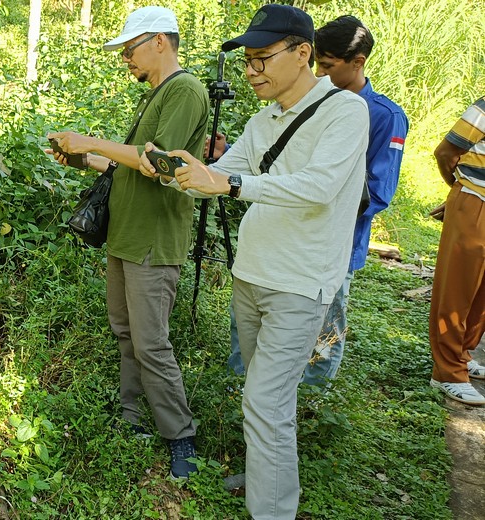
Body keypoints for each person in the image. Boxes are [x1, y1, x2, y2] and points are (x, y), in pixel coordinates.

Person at [140, 4, 368, 518]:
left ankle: (272, 508)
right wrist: (176, 170)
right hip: (251, 275)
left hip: (299, 283)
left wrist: (231, 182)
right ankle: (268, 472)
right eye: (247, 61)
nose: (250, 71)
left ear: (303, 53)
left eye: (262, 58)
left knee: (266, 402)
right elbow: (217, 177)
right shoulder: (263, 119)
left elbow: (318, 187)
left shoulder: (345, 112)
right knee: (266, 398)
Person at [46, 5, 209, 479]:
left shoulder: (185, 90)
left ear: (159, 41)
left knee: (151, 343)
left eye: (130, 48)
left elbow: (159, 165)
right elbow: (129, 165)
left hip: (153, 240)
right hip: (126, 236)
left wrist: (91, 141)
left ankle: (180, 437)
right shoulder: (157, 94)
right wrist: (81, 158)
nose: (126, 58)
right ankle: (132, 415)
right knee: (126, 332)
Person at [217, 15, 410, 386]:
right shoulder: (277, 113)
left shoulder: (379, 115)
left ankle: (314, 397)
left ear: (358, 62)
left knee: (323, 334)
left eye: (328, 66)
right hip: (274, 249)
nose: (320, 73)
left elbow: (375, 190)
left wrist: (326, 211)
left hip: (331, 246)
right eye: (318, 64)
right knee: (260, 357)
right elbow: (275, 170)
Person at [428, 96, 485, 405]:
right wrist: (459, 190)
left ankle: (462, 354)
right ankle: (447, 372)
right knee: (457, 290)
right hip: (476, 201)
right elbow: (446, 152)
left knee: (481, 294)